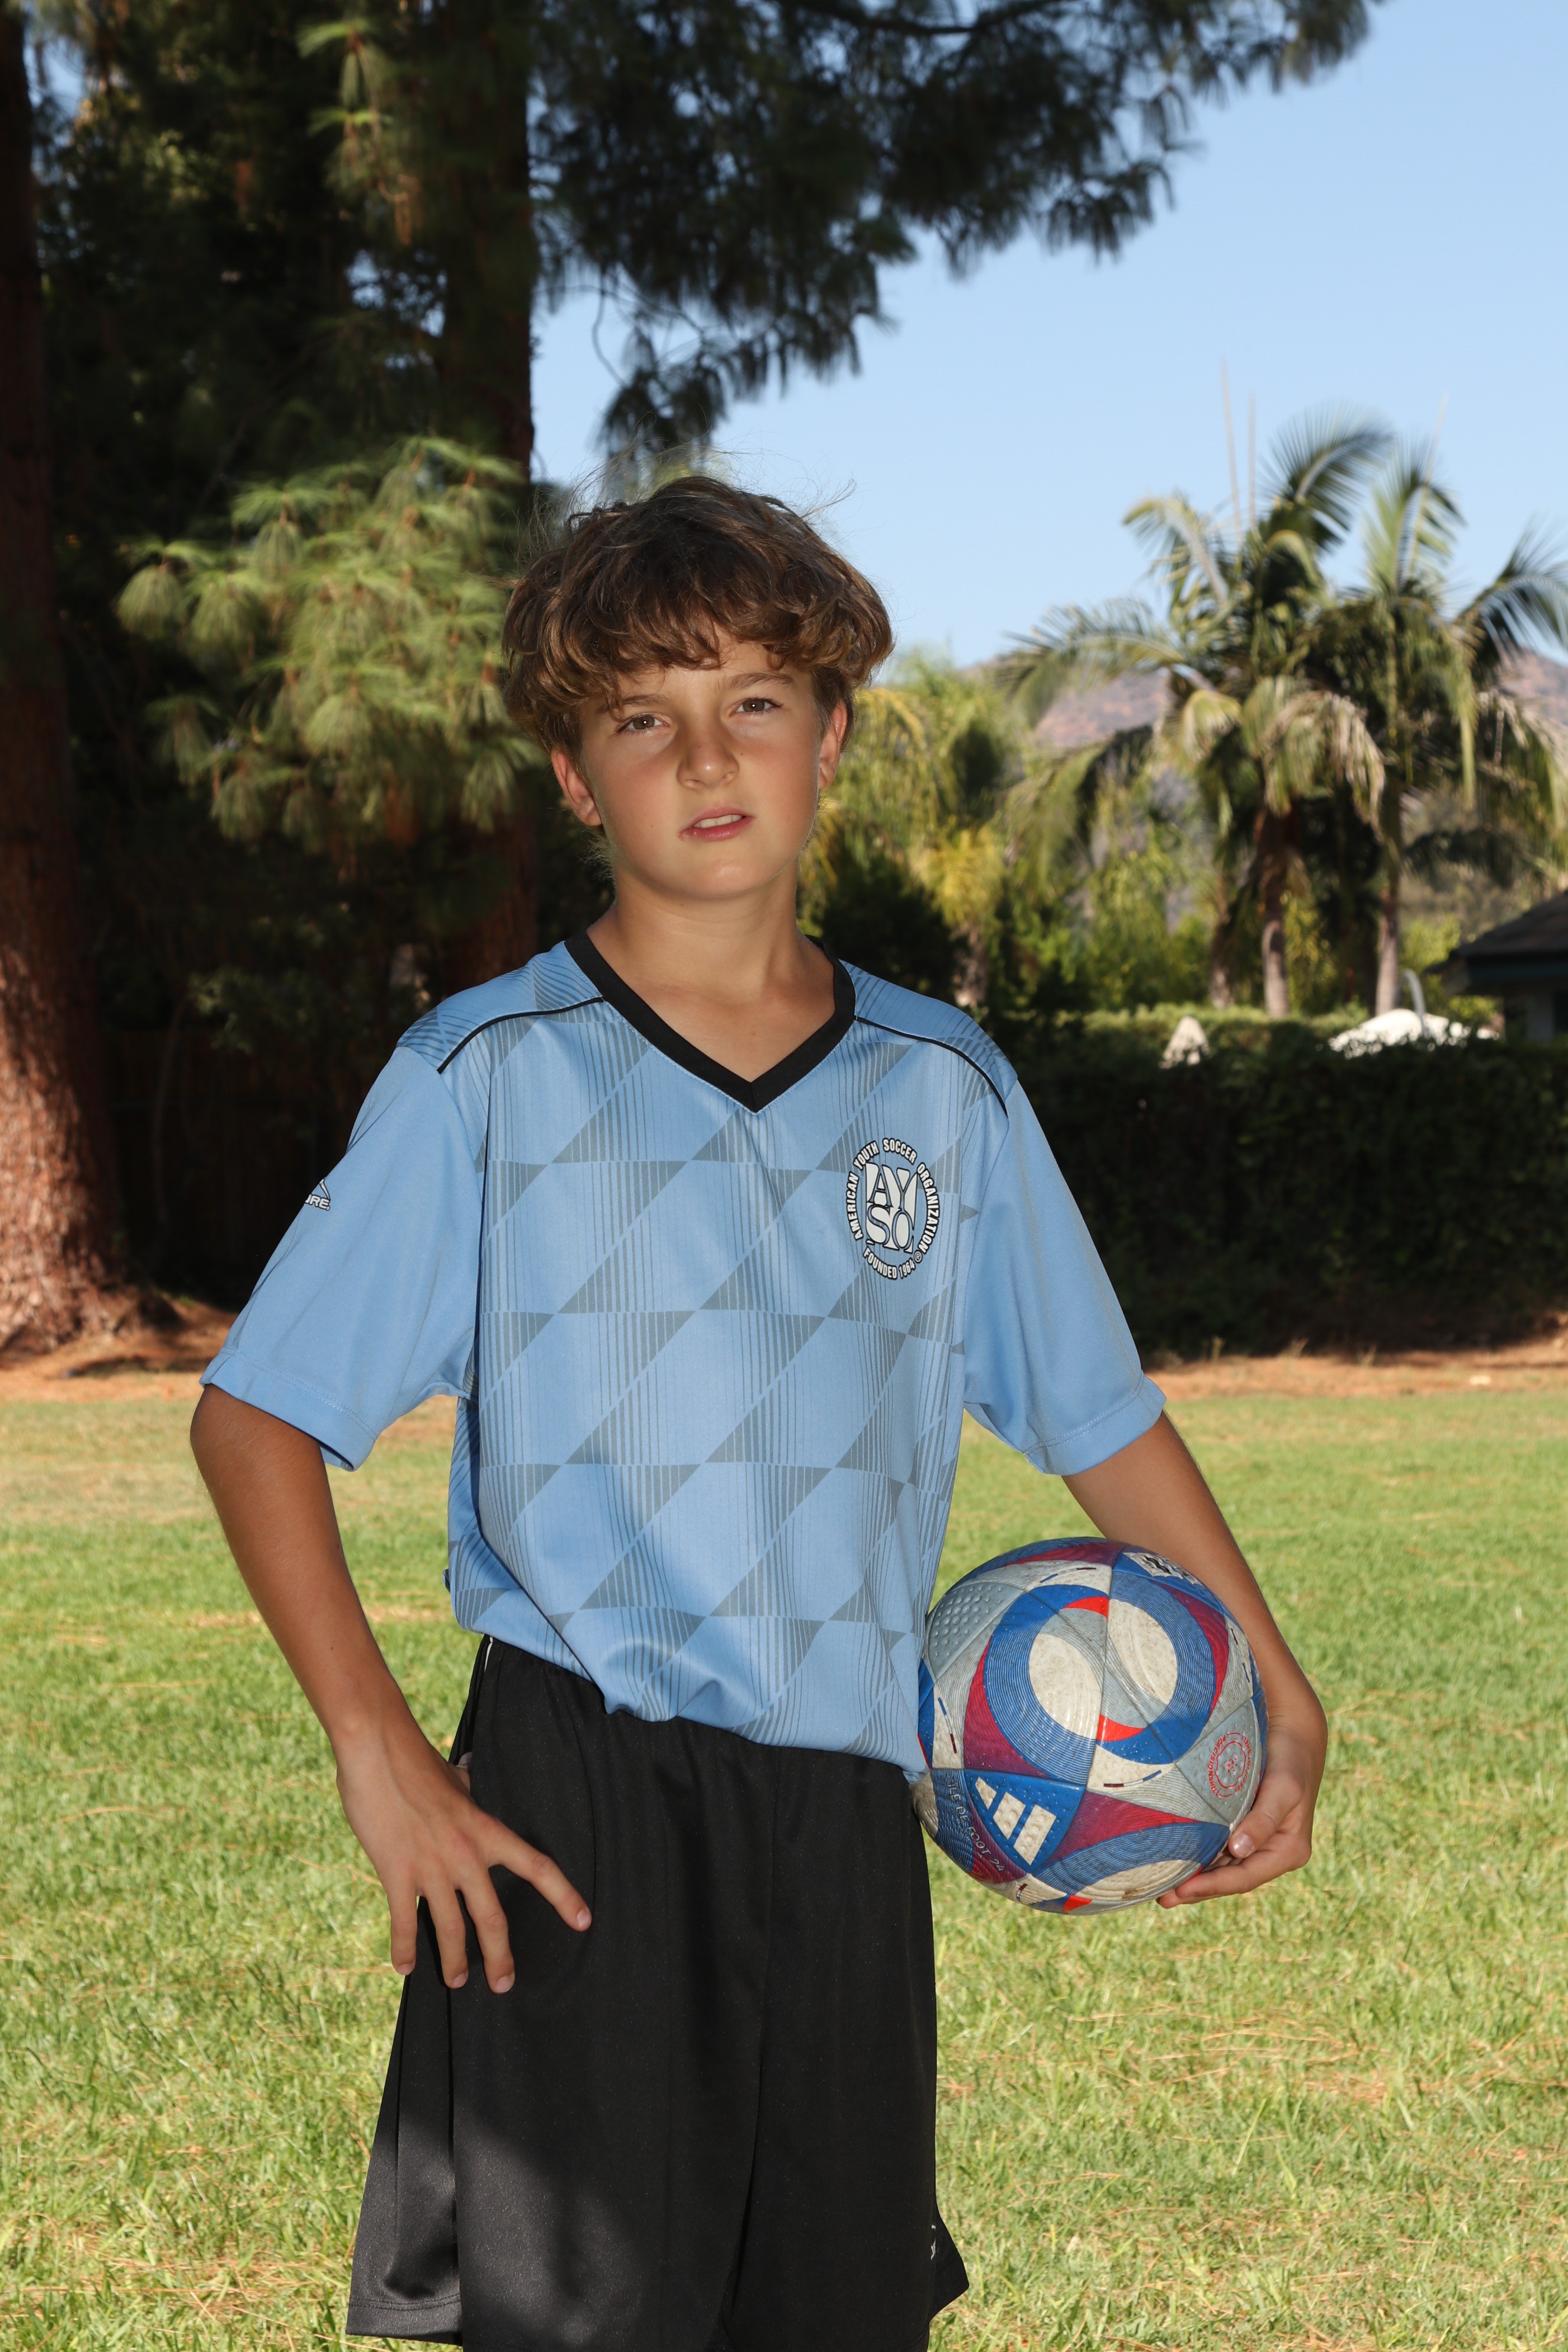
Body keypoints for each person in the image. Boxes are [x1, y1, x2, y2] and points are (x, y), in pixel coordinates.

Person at [190, 475, 1327, 2352]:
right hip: (577, 1809)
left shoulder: (944, 1090)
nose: (706, 757)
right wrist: (377, 1751)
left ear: (835, 734)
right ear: (576, 779)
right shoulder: (486, 1076)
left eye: (755, 703)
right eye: (642, 719)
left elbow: (1094, 1412)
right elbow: (254, 1422)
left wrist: (1272, 1675)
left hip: (849, 1819)